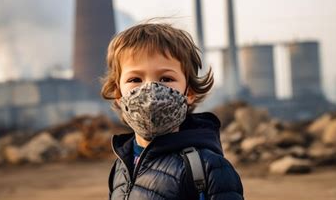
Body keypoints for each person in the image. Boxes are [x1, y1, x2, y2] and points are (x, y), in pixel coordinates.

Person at [101, 19, 244, 200]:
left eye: (166, 79)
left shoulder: (209, 168)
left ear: (189, 92)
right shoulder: (121, 166)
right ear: (118, 93)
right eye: (135, 79)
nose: (150, 90)